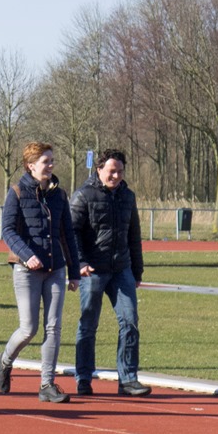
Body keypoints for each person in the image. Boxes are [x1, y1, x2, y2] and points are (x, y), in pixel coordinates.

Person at [0, 141, 81, 403]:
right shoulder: (17, 192)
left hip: (55, 269)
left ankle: (47, 384)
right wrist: (27, 255)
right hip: (26, 271)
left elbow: (67, 235)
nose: (51, 165)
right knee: (28, 329)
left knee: (53, 327)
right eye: (46, 161)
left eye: (52, 160)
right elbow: (7, 231)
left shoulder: (60, 195)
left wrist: (74, 272)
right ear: (31, 165)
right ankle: (5, 360)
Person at [71, 148, 151, 397]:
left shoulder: (128, 196)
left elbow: (134, 235)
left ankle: (128, 379)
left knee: (130, 321)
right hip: (93, 271)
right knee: (88, 325)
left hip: (121, 270)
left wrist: (137, 270)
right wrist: (80, 263)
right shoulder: (83, 195)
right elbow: (71, 233)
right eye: (111, 171)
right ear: (99, 170)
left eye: (120, 171)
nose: (116, 176)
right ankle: (84, 378)